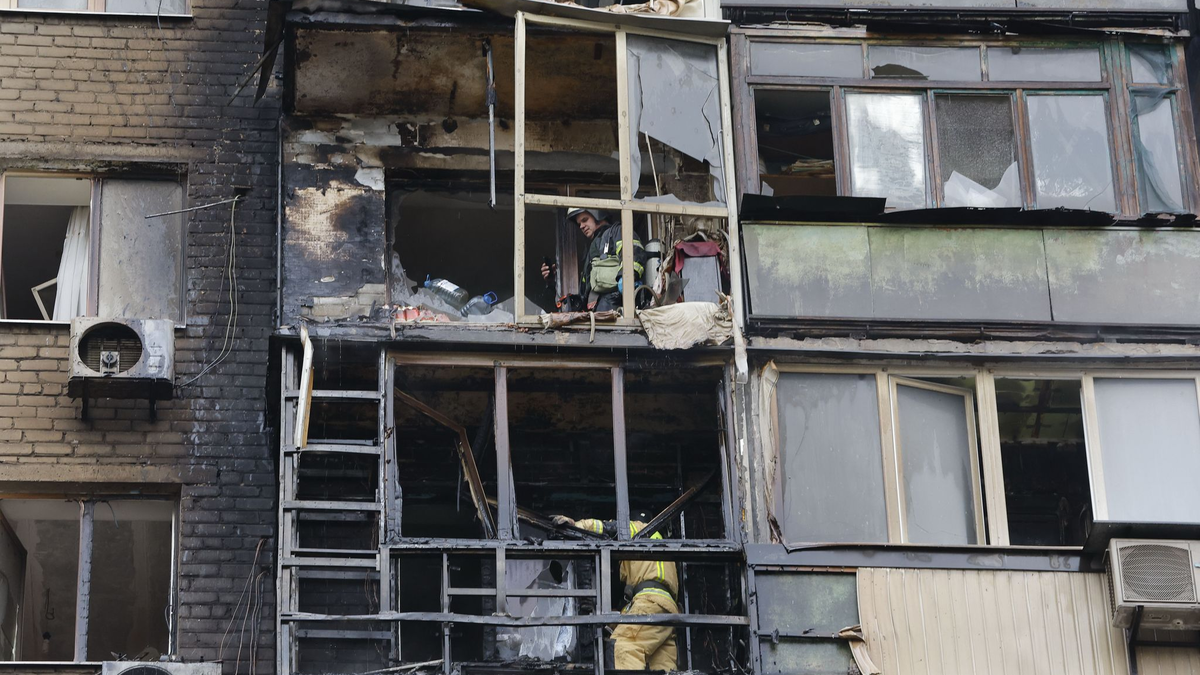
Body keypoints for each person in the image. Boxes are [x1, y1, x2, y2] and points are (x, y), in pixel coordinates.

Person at [551, 515, 677, 671]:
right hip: (668, 610)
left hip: (649, 601)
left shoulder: (638, 528)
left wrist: (575, 525)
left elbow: (602, 528)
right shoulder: (664, 547)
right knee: (661, 666)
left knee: (623, 648)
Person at [541, 208, 647, 313]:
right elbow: (584, 293)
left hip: (615, 311)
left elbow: (633, 253)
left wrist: (627, 278)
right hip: (597, 316)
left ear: (598, 215)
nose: (581, 226)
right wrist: (552, 282)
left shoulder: (617, 232)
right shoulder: (591, 252)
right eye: (579, 224)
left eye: (585, 220)